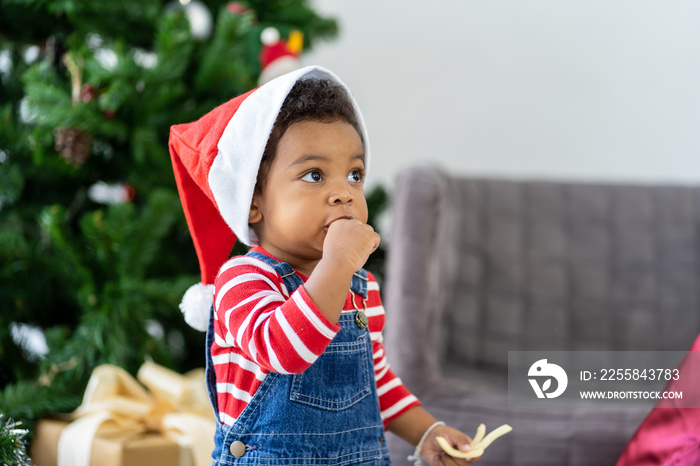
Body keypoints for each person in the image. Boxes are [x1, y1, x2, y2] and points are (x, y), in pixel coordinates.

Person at [169, 66, 478, 465]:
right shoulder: (241, 279)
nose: (343, 194)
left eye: (355, 174)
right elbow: (284, 350)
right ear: (253, 202)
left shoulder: (361, 286)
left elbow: (375, 383)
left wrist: (427, 432)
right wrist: (338, 263)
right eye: (314, 175)